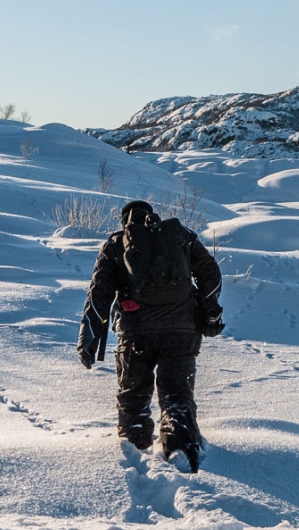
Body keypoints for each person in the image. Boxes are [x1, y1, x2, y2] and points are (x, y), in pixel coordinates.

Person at [77, 199, 223, 472]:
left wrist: (88, 337)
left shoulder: (116, 244)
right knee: (177, 396)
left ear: (125, 222)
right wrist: (209, 307)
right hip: (182, 331)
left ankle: (135, 450)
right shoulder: (181, 236)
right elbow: (210, 272)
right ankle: (179, 450)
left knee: (132, 398)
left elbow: (99, 294)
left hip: (135, 333)